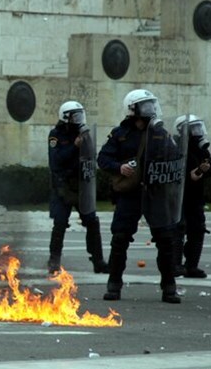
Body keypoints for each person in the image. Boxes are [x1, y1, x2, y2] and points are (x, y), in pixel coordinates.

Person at [97, 89, 181, 304]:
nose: (151, 109)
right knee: (120, 239)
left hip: (156, 193)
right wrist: (120, 167)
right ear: (132, 109)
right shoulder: (120, 133)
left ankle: (169, 287)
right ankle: (114, 284)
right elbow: (103, 159)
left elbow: (176, 158)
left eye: (152, 104)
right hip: (131, 194)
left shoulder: (160, 133)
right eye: (145, 106)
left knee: (165, 239)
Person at [46, 101, 108, 274]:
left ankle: (98, 260)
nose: (79, 119)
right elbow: (56, 161)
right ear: (65, 117)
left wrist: (86, 142)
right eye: (75, 116)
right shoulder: (55, 136)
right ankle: (54, 260)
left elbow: (91, 157)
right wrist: (74, 146)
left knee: (92, 222)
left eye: (80, 115)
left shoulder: (83, 134)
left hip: (82, 187)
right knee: (60, 223)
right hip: (62, 187)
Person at [174, 114, 211, 278]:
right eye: (193, 129)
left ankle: (192, 265)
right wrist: (188, 174)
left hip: (196, 196)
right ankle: (175, 264)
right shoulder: (176, 146)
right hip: (179, 196)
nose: (197, 132)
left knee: (197, 229)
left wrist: (204, 170)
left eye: (198, 127)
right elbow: (172, 168)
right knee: (178, 228)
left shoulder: (201, 149)